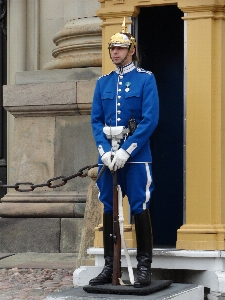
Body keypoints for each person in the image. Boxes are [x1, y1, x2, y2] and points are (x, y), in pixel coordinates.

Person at [90, 19, 159, 288]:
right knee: (109, 207)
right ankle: (110, 266)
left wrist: (127, 151)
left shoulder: (145, 79)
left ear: (131, 50)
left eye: (120, 48)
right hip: (108, 158)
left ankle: (143, 267)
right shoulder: (103, 83)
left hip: (137, 156)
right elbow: (96, 121)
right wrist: (105, 152)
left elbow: (150, 120)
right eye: (112, 49)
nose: (115, 53)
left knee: (139, 206)